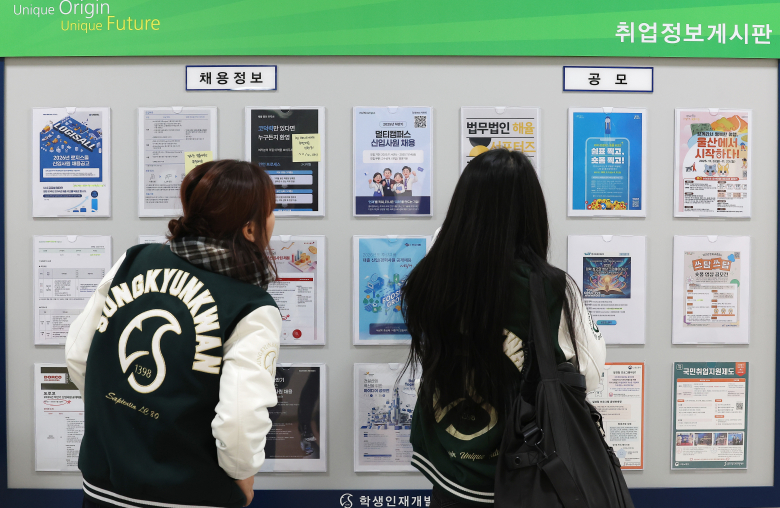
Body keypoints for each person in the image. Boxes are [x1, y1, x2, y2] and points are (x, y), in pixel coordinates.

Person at [65, 159, 282, 508]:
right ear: (249, 229)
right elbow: (240, 420)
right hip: (188, 495)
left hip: (103, 485)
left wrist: (122, 427)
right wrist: (242, 476)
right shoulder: (252, 306)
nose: (273, 220)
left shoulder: (133, 261)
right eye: (270, 211)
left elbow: (78, 357)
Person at [400, 149, 606, 507]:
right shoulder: (551, 288)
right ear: (531, 213)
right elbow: (590, 373)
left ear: (462, 208)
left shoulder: (428, 280)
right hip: (526, 475)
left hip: (450, 471)